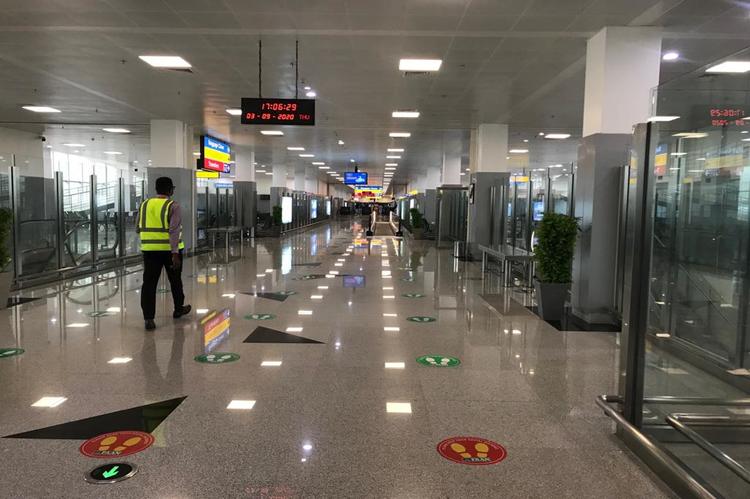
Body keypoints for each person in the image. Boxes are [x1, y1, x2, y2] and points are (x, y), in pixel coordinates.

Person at [137, 177, 191, 330]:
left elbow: (137, 227)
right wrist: (175, 253)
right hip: (169, 251)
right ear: (170, 190)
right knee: (175, 280)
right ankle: (178, 309)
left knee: (149, 284)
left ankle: (148, 319)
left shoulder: (144, 204)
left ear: (156, 189)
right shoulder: (173, 206)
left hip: (149, 251)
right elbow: (174, 231)